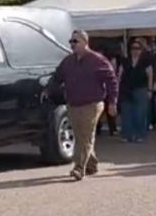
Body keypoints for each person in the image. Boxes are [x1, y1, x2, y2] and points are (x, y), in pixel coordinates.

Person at [47, 30, 118, 180]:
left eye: (75, 41)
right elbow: (57, 76)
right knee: (81, 137)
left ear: (85, 42)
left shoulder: (98, 60)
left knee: (85, 136)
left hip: (92, 104)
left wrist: (112, 102)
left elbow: (112, 81)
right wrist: (48, 89)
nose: (72, 44)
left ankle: (79, 168)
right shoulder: (68, 61)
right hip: (73, 103)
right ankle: (91, 164)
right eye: (71, 41)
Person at [119, 40, 153, 143]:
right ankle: (127, 135)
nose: (135, 50)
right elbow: (119, 75)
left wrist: (150, 89)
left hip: (141, 89)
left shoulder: (146, 61)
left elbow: (150, 75)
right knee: (126, 113)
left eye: (138, 48)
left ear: (141, 50)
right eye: (133, 48)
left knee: (140, 113)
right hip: (126, 89)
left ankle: (140, 135)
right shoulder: (125, 61)